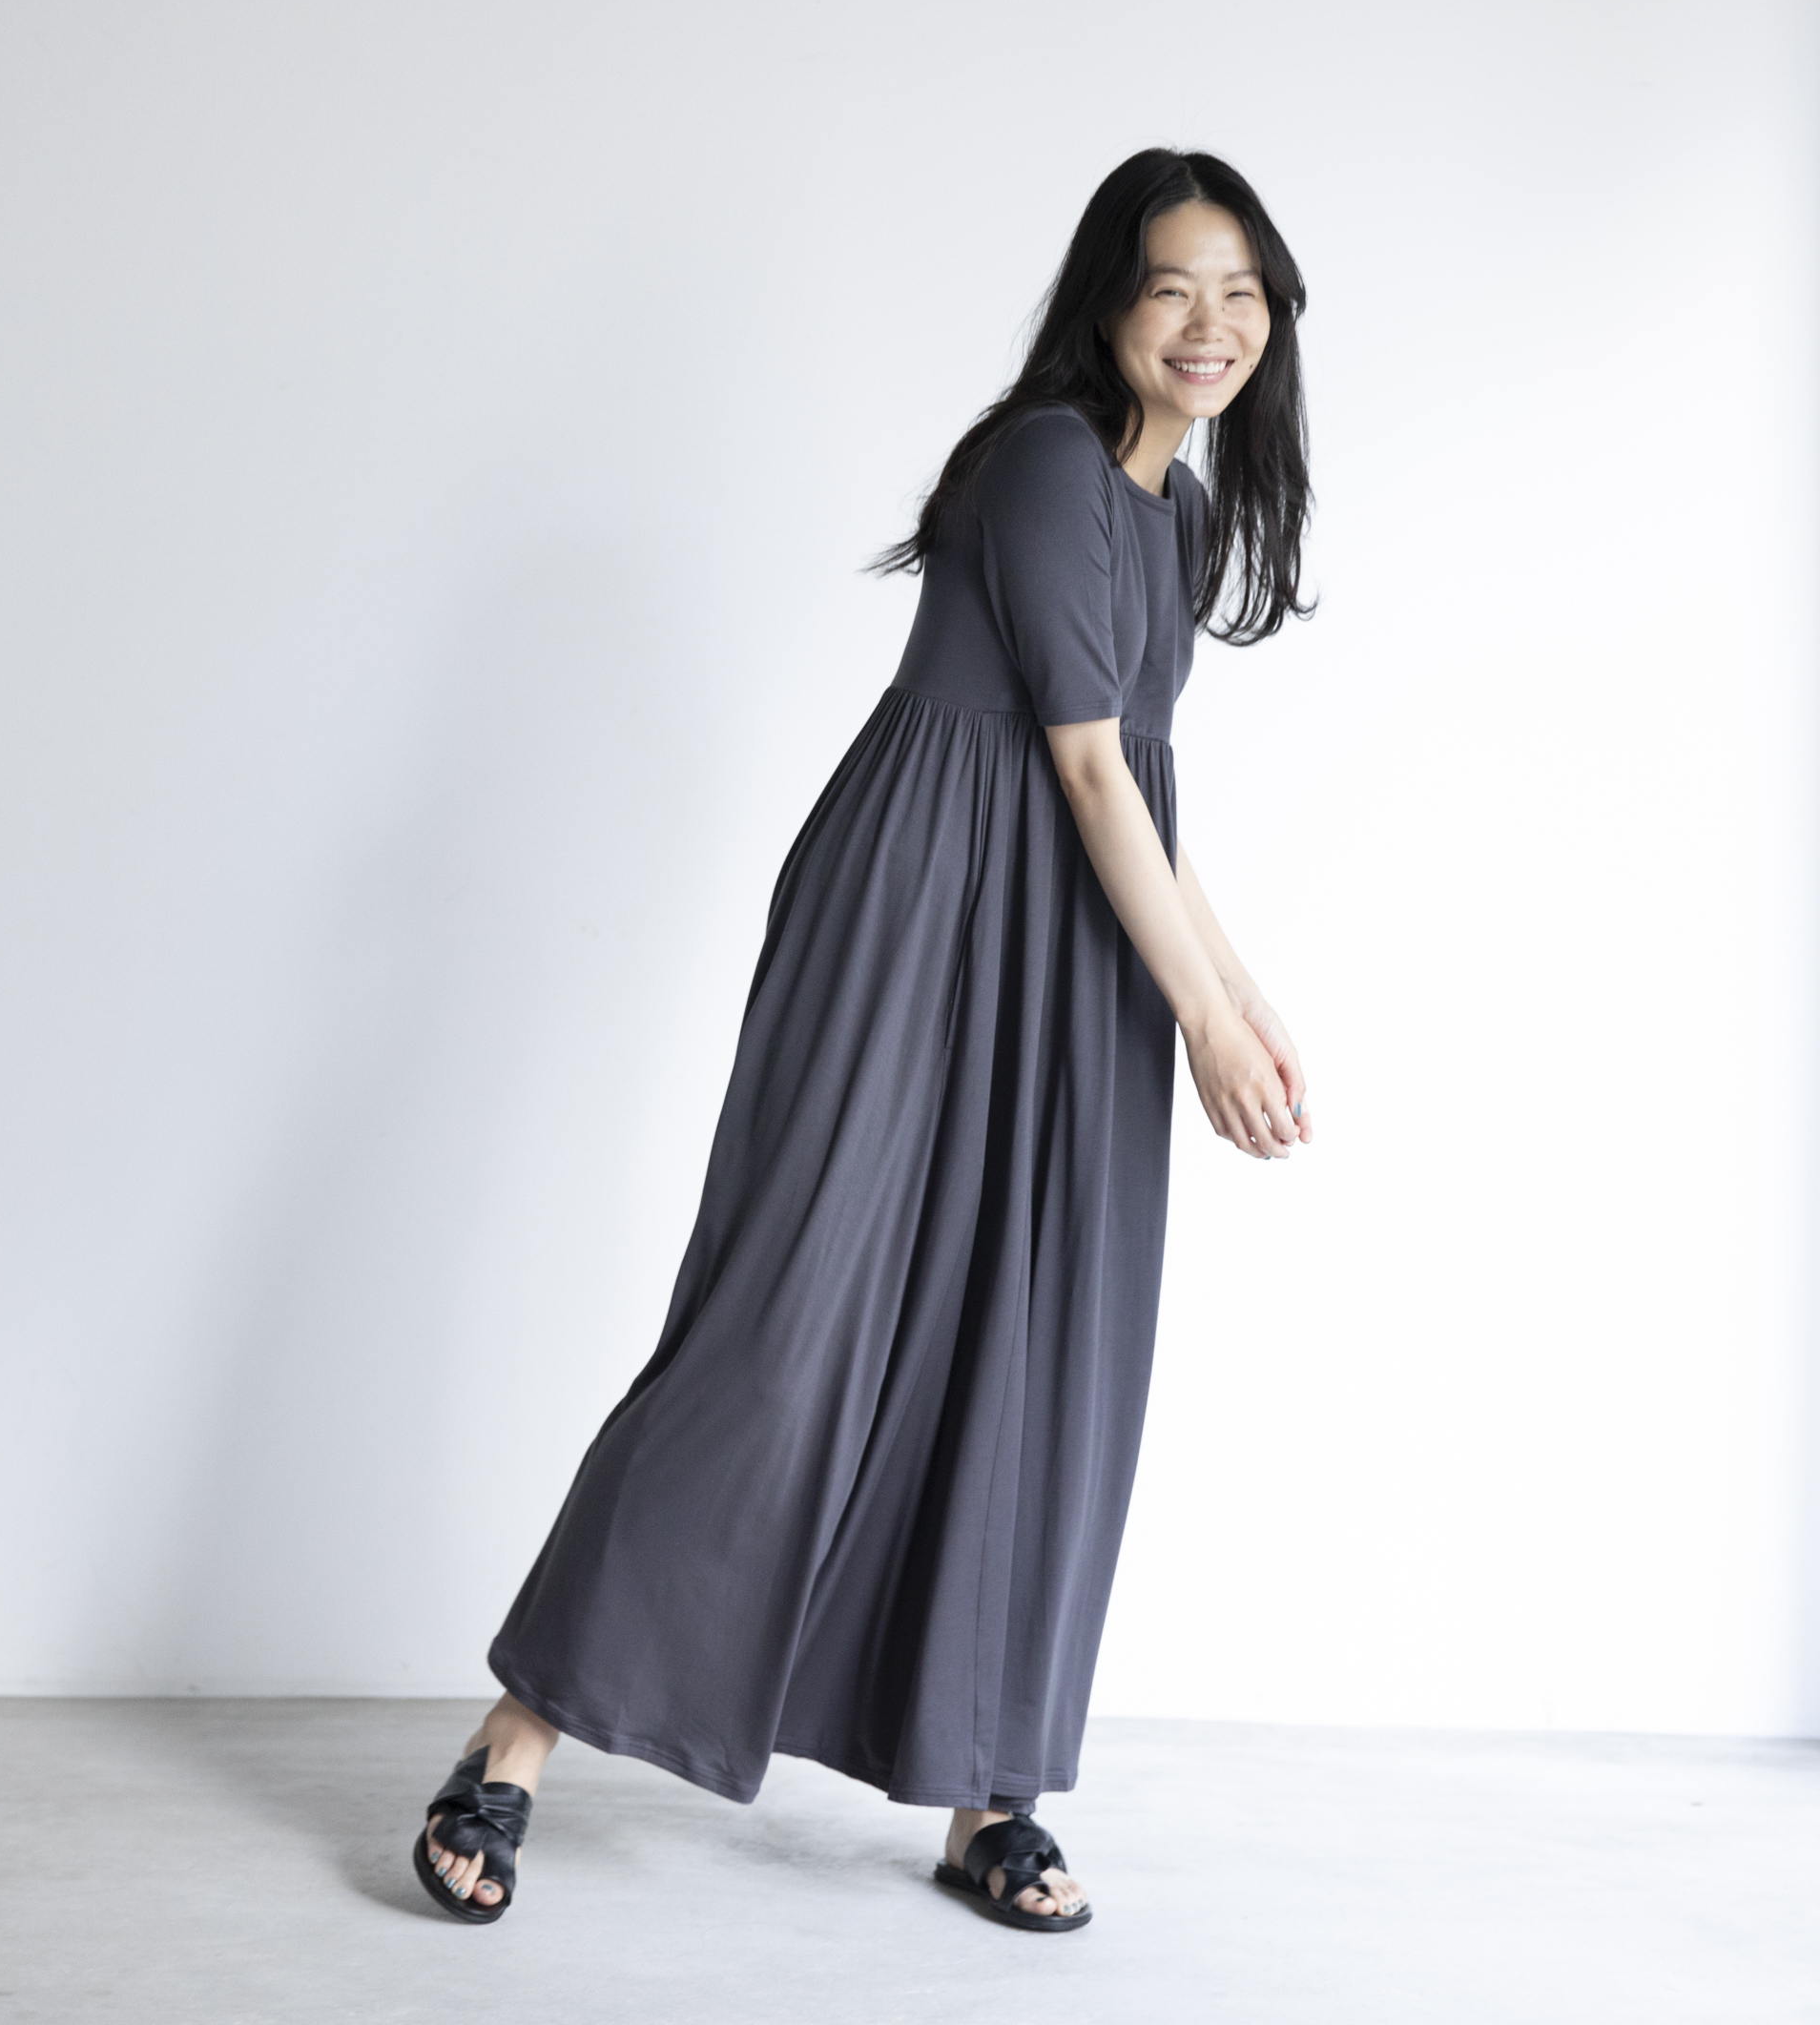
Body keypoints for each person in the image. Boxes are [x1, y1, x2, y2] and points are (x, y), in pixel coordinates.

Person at [415, 147, 1316, 1932]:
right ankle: (515, 1739)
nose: (1209, 324)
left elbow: (1138, 784)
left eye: (1241, 292)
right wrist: (1201, 1017)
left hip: (1077, 936)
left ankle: (992, 1798)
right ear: (1109, 304)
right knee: (785, 1322)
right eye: (1172, 286)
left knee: (1041, 1351)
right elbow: (1076, 765)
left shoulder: (1182, 516)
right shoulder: (1044, 461)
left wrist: (1239, 988)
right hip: (919, 912)